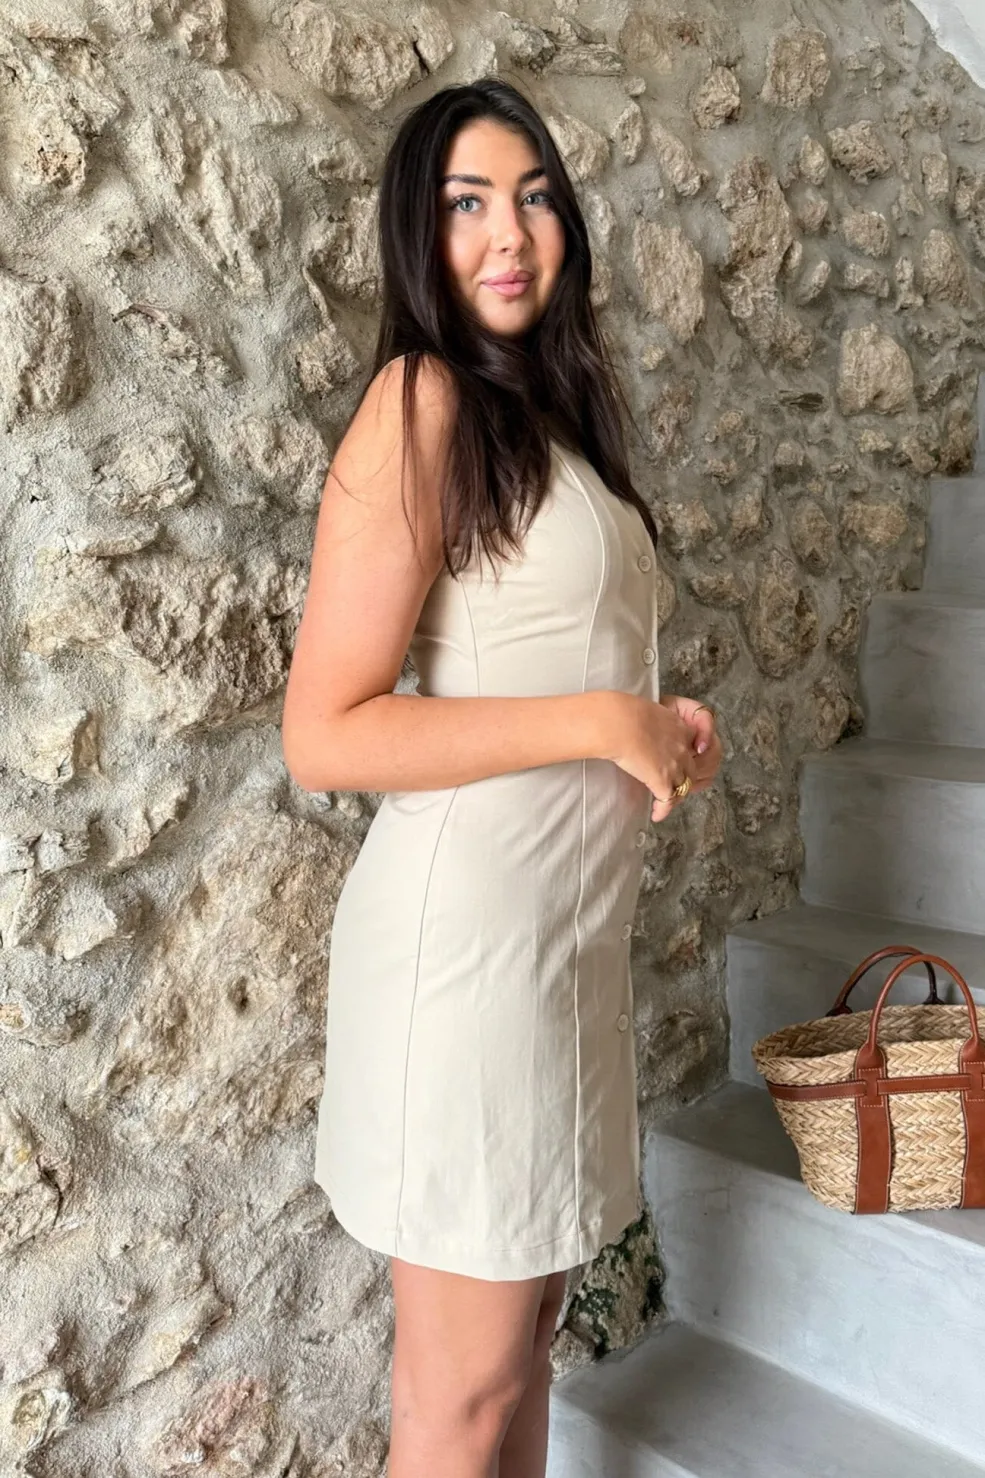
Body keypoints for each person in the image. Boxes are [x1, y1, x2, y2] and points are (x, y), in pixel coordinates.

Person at [281, 76, 723, 1478]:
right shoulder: (419, 400)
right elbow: (326, 732)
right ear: (420, 235)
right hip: (468, 962)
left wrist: (650, 724)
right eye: (467, 203)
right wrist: (596, 716)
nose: (509, 233)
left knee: (522, 1350)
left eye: (534, 197)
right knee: (460, 1399)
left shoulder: (551, 423)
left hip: (560, 959)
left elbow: (543, 656)